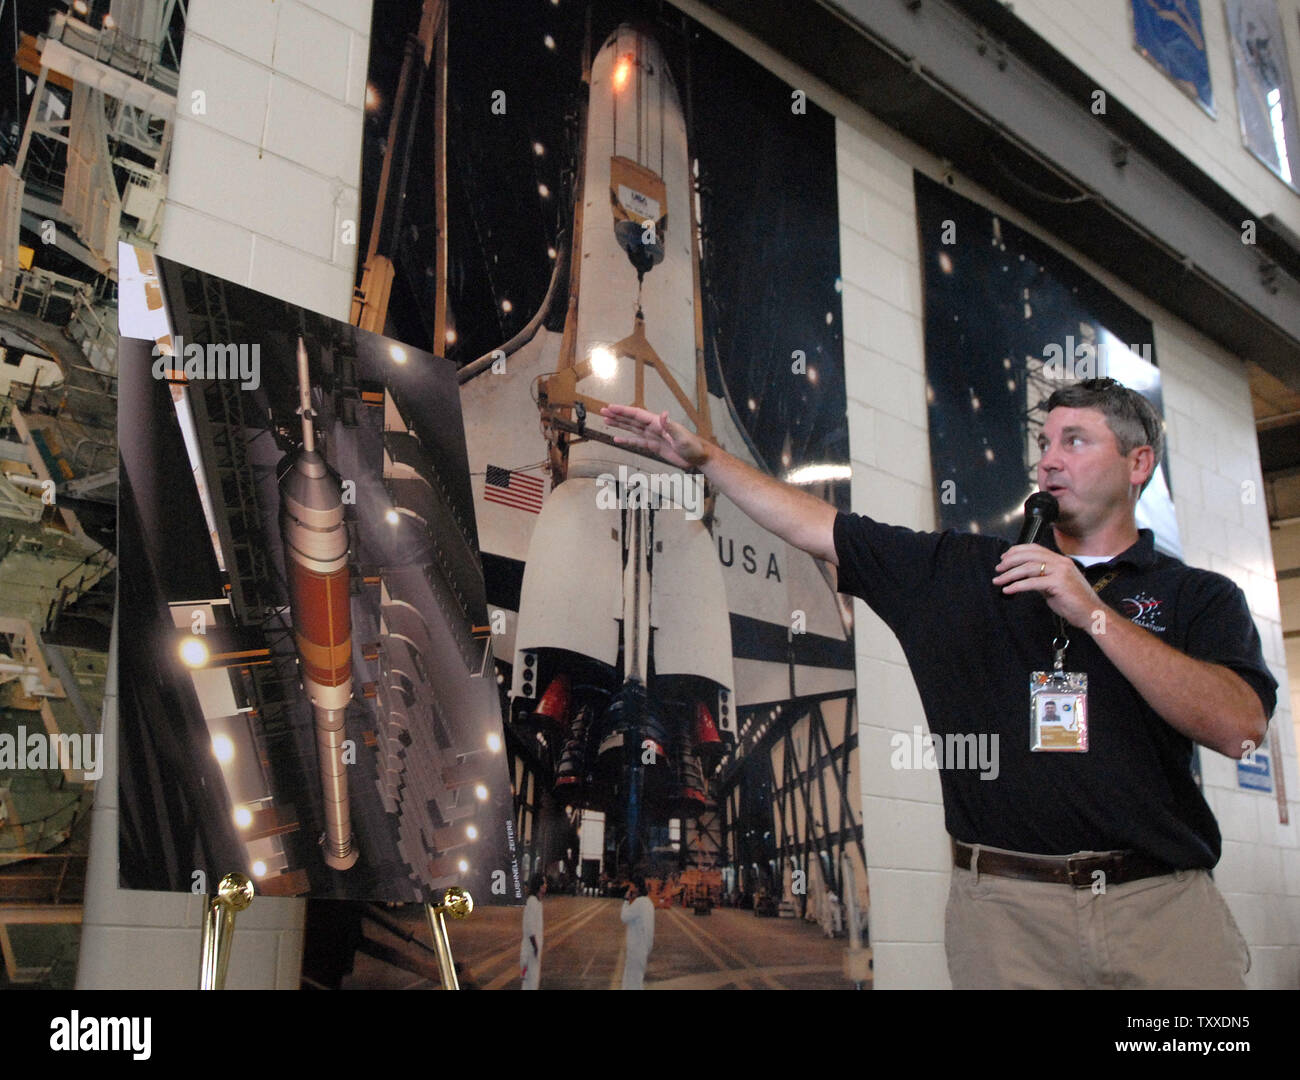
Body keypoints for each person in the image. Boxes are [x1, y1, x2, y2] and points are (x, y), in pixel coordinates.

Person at [601, 377, 1275, 990]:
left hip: (1161, 909)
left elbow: (1239, 728)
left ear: (1137, 465)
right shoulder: (959, 571)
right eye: (1044, 442)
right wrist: (707, 460)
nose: (1048, 460)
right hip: (1007, 923)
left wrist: (1092, 613)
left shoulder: (1196, 596)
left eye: (1076, 440)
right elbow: (817, 525)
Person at [620, 875, 655, 989]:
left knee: (633, 981)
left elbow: (624, 917)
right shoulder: (648, 902)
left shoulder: (639, 903)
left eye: (631, 887)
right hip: (643, 948)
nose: (629, 890)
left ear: (637, 888)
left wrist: (626, 901)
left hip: (636, 948)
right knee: (635, 979)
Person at [519, 873, 545, 990]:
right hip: (529, 951)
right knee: (529, 982)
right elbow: (530, 928)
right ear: (539, 886)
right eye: (544, 883)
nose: (546, 885)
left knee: (531, 982)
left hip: (533, 951)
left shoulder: (537, 902)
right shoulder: (532, 902)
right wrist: (535, 947)